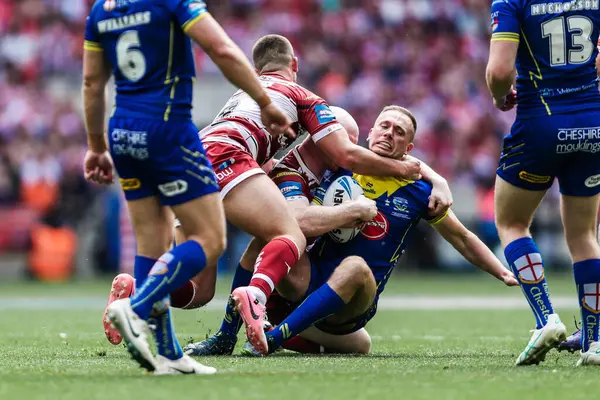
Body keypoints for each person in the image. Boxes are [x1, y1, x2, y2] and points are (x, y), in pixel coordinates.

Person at [181, 34, 450, 355]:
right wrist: (361, 206)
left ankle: (143, 293)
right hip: (226, 157)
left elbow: (354, 156)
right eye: (341, 140)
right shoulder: (301, 111)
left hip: (191, 159)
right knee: (284, 231)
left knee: (199, 291)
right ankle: (250, 303)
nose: (343, 151)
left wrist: (434, 177)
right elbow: (349, 156)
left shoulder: (250, 93)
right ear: (294, 65)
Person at [83, 0, 291, 374]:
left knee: (153, 241)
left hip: (123, 132)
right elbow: (221, 48)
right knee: (210, 239)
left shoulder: (101, 10)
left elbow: (92, 82)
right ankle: (136, 308)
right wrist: (264, 101)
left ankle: (168, 353)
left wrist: (97, 147)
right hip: (167, 131)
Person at [239, 105, 518, 356]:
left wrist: (501, 271)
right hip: (308, 281)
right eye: (384, 126)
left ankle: (274, 337)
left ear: (408, 150)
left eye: (399, 132)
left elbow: (462, 237)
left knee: (356, 267)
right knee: (276, 230)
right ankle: (229, 331)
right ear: (370, 134)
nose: (389, 134)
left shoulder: (419, 192)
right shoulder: (339, 168)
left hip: (352, 303)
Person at [486, 1, 600, 366]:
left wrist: (499, 96)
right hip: (592, 123)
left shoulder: (513, 1)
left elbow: (500, 70)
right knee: (584, 236)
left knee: (511, 222)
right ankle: (595, 343)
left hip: (541, 123)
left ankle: (545, 318)